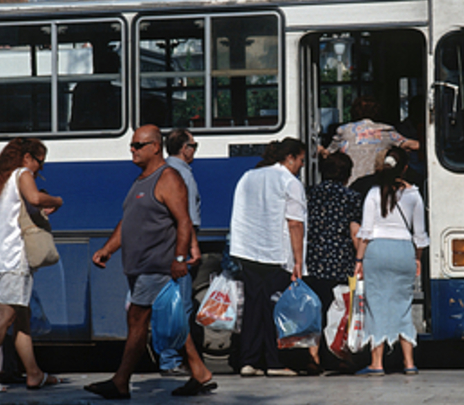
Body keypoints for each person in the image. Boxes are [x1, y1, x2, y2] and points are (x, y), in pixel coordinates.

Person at [85, 125, 214, 399]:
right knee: (169, 321)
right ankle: (200, 372)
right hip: (137, 265)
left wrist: (180, 258)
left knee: (137, 319)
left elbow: (183, 221)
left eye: (138, 145)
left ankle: (120, 381)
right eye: (132, 145)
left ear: (155, 147)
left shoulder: (168, 178)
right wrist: (107, 249)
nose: (132, 149)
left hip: (156, 265)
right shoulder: (141, 181)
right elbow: (128, 220)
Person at [0, 138, 64, 393]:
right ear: (26, 158)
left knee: (22, 318)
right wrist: (57, 200)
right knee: (4, 320)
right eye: (39, 162)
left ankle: (34, 373)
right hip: (13, 259)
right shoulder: (22, 174)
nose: (39, 169)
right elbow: (35, 197)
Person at [230, 138, 307, 377]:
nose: (301, 166)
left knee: (253, 306)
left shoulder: (248, 176)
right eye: (301, 161)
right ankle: (273, 362)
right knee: (274, 307)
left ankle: (248, 361)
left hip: (248, 250)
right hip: (276, 252)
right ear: (290, 157)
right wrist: (298, 261)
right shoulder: (289, 182)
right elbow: (295, 224)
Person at [353, 146, 429, 376]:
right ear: (405, 168)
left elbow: (365, 232)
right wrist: (417, 260)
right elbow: (420, 235)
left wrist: (359, 260)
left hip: (377, 252)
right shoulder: (414, 194)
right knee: (402, 306)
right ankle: (409, 363)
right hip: (404, 251)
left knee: (375, 306)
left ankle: (377, 364)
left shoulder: (374, 193)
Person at [304, 152, 362, 374]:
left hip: (314, 261)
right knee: (342, 310)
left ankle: (313, 356)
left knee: (315, 309)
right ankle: (342, 356)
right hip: (341, 263)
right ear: (347, 175)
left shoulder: (310, 194)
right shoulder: (351, 197)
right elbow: (354, 232)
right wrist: (360, 260)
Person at [160, 128, 201, 376]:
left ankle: (171, 357)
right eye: (194, 146)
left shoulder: (162, 170)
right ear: (184, 149)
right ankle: (171, 359)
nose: (195, 151)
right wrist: (191, 247)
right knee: (181, 305)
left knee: (168, 304)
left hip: (164, 245)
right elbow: (188, 218)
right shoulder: (182, 175)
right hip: (179, 247)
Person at [319, 96, 420, 185]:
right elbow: (411, 145)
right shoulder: (386, 131)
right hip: (375, 185)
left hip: (350, 183)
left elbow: (327, 154)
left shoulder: (344, 131)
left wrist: (318, 149)